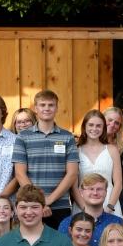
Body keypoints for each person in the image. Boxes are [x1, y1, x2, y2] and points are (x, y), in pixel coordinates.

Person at [13, 90, 80, 229]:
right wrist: (39, 202)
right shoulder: (22, 137)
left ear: (57, 108)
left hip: (60, 205)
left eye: (51, 105)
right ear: (35, 109)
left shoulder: (67, 137)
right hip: (30, 206)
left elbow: (72, 173)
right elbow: (20, 173)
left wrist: (49, 200)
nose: (47, 108)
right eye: (42, 105)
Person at [74, 109, 123, 216]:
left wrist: (110, 207)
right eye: (91, 125)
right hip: (82, 205)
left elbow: (118, 183)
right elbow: (73, 186)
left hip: (109, 203)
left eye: (98, 126)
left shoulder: (112, 150)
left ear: (103, 128)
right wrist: (85, 209)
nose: (94, 129)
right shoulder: (76, 151)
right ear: (84, 127)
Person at [58, 173, 122, 246]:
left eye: (99, 189)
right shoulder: (67, 223)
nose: (95, 193)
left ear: (106, 192)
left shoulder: (118, 223)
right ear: (81, 192)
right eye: (90, 189)